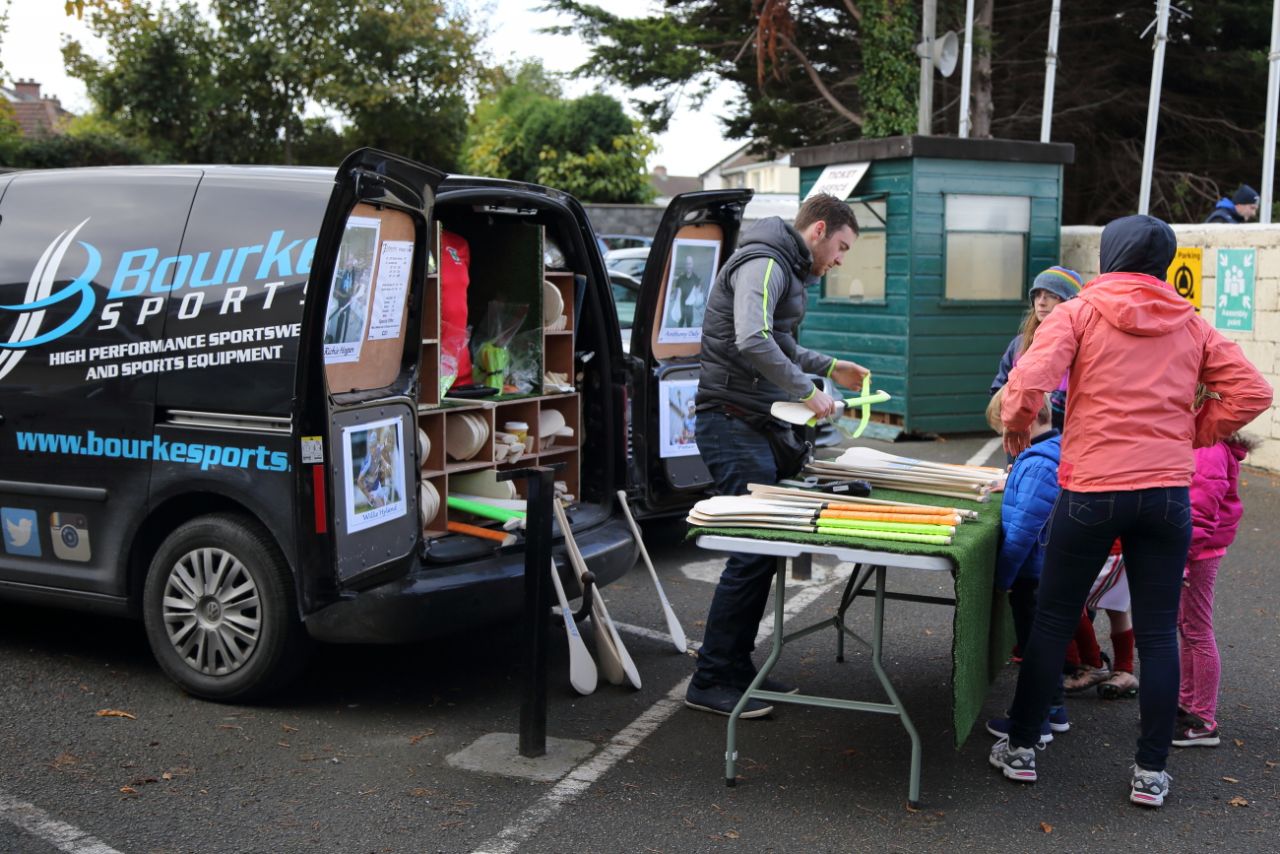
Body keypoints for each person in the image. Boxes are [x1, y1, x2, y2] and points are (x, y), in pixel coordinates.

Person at [991, 214, 1272, 808]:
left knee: (1050, 618)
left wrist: (1017, 428)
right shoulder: (1190, 322)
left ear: (1109, 255)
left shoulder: (1079, 311)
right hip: (1166, 495)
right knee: (1160, 633)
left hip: (1092, 488)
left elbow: (1028, 380)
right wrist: (1195, 433)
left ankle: (1020, 749)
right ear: (1165, 263)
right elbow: (1252, 391)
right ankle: (1150, 772)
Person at [685, 192, 869, 718]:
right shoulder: (765, 261)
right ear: (818, 231)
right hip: (729, 423)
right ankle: (711, 678)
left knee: (763, 548)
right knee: (752, 549)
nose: (839, 260)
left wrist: (830, 366)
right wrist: (810, 394)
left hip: (750, 425)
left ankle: (737, 669)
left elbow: (780, 344)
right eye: (840, 247)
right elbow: (753, 340)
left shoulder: (783, 266)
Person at [982, 389, 1070, 746]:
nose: (1005, 437)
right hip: (1045, 570)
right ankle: (1055, 710)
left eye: (1007, 428)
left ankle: (1033, 725)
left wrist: (1001, 578)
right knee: (1043, 646)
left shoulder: (1038, 464)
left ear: (1029, 418)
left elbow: (1022, 532)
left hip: (1033, 575)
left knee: (1035, 649)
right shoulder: (1049, 452)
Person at [1175, 417, 1255, 748]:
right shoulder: (1202, 441)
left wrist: (1183, 558)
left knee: (1197, 630)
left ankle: (1204, 719)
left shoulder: (1207, 447)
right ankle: (1187, 701)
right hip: (1195, 549)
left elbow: (1200, 511)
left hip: (1199, 552)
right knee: (1186, 627)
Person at [991, 266, 1082, 433]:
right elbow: (998, 390)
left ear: (1069, 302)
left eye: (1051, 296)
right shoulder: (1019, 345)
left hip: (1063, 446)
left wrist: (1049, 404)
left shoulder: (1082, 348)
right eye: (1037, 295)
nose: (1041, 302)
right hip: (1021, 443)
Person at [666, 254, 701, 328]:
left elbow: (698, 292)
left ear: (692, 265)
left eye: (690, 264)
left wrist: (696, 296)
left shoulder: (696, 278)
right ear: (685, 265)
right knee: (680, 324)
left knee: (689, 325)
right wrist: (672, 299)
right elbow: (675, 292)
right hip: (680, 306)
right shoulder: (680, 278)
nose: (688, 266)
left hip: (690, 308)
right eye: (687, 264)